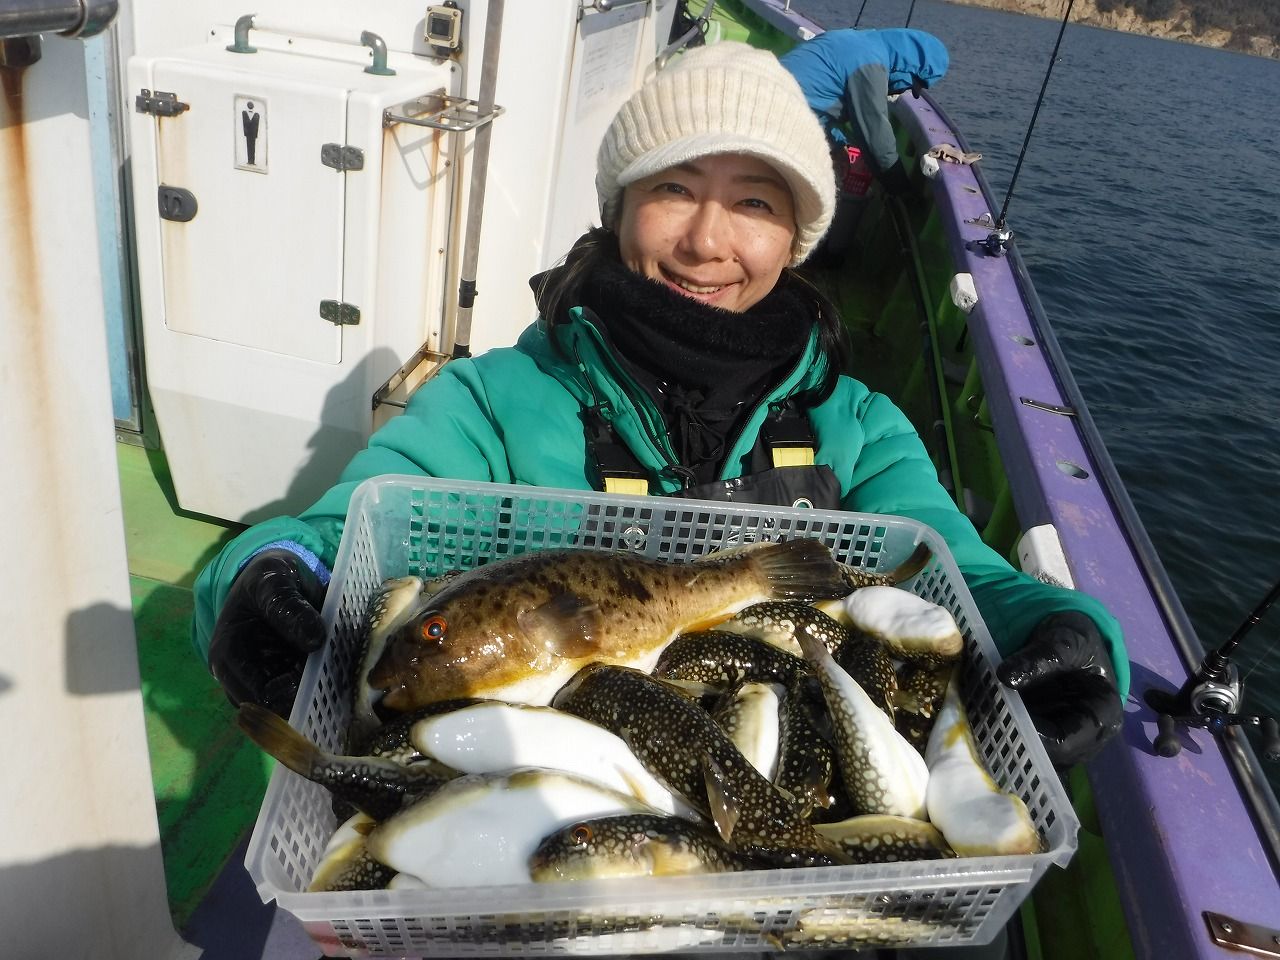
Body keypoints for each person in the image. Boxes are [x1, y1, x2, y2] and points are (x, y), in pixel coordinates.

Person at [195, 41, 1124, 771]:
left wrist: (1058, 634)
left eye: (755, 203)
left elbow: (956, 572)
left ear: (795, 240)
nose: (707, 241)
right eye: (673, 189)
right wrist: (265, 568)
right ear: (619, 208)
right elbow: (346, 530)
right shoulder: (492, 401)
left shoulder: (863, 428)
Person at [781, 28, 949, 259]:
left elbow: (815, 100)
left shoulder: (851, 39)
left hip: (777, 103)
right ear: (907, 67)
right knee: (822, 188)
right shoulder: (870, 65)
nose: (904, 90)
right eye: (912, 84)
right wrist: (902, 191)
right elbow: (877, 142)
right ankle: (804, 252)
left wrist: (838, 144)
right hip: (781, 122)